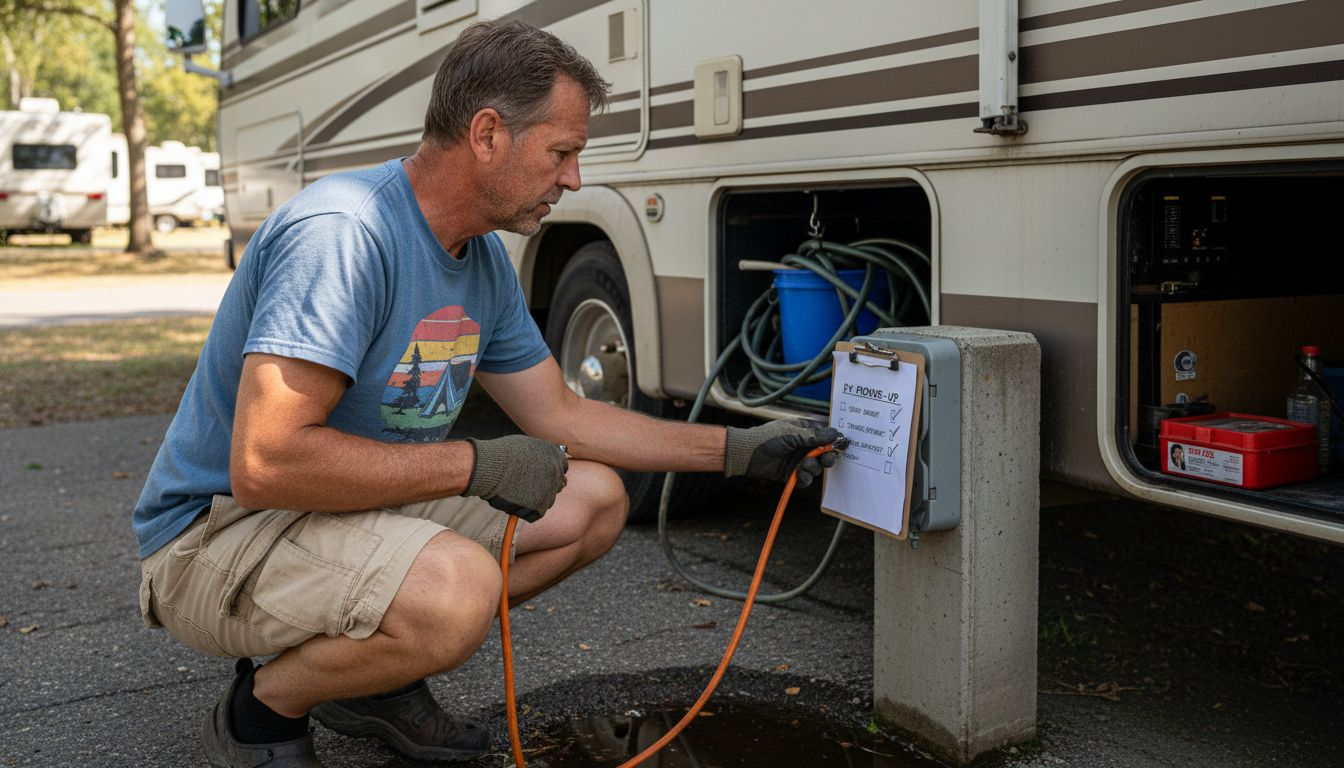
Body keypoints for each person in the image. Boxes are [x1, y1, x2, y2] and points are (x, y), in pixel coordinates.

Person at [132, 20, 841, 768]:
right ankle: (261, 713)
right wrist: (476, 465)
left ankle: (372, 679)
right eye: (562, 152)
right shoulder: (344, 234)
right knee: (455, 591)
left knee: (594, 499)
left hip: (338, 508)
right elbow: (267, 463)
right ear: (488, 134)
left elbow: (562, 415)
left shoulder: (481, 261)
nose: (573, 179)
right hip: (220, 535)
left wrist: (736, 450)